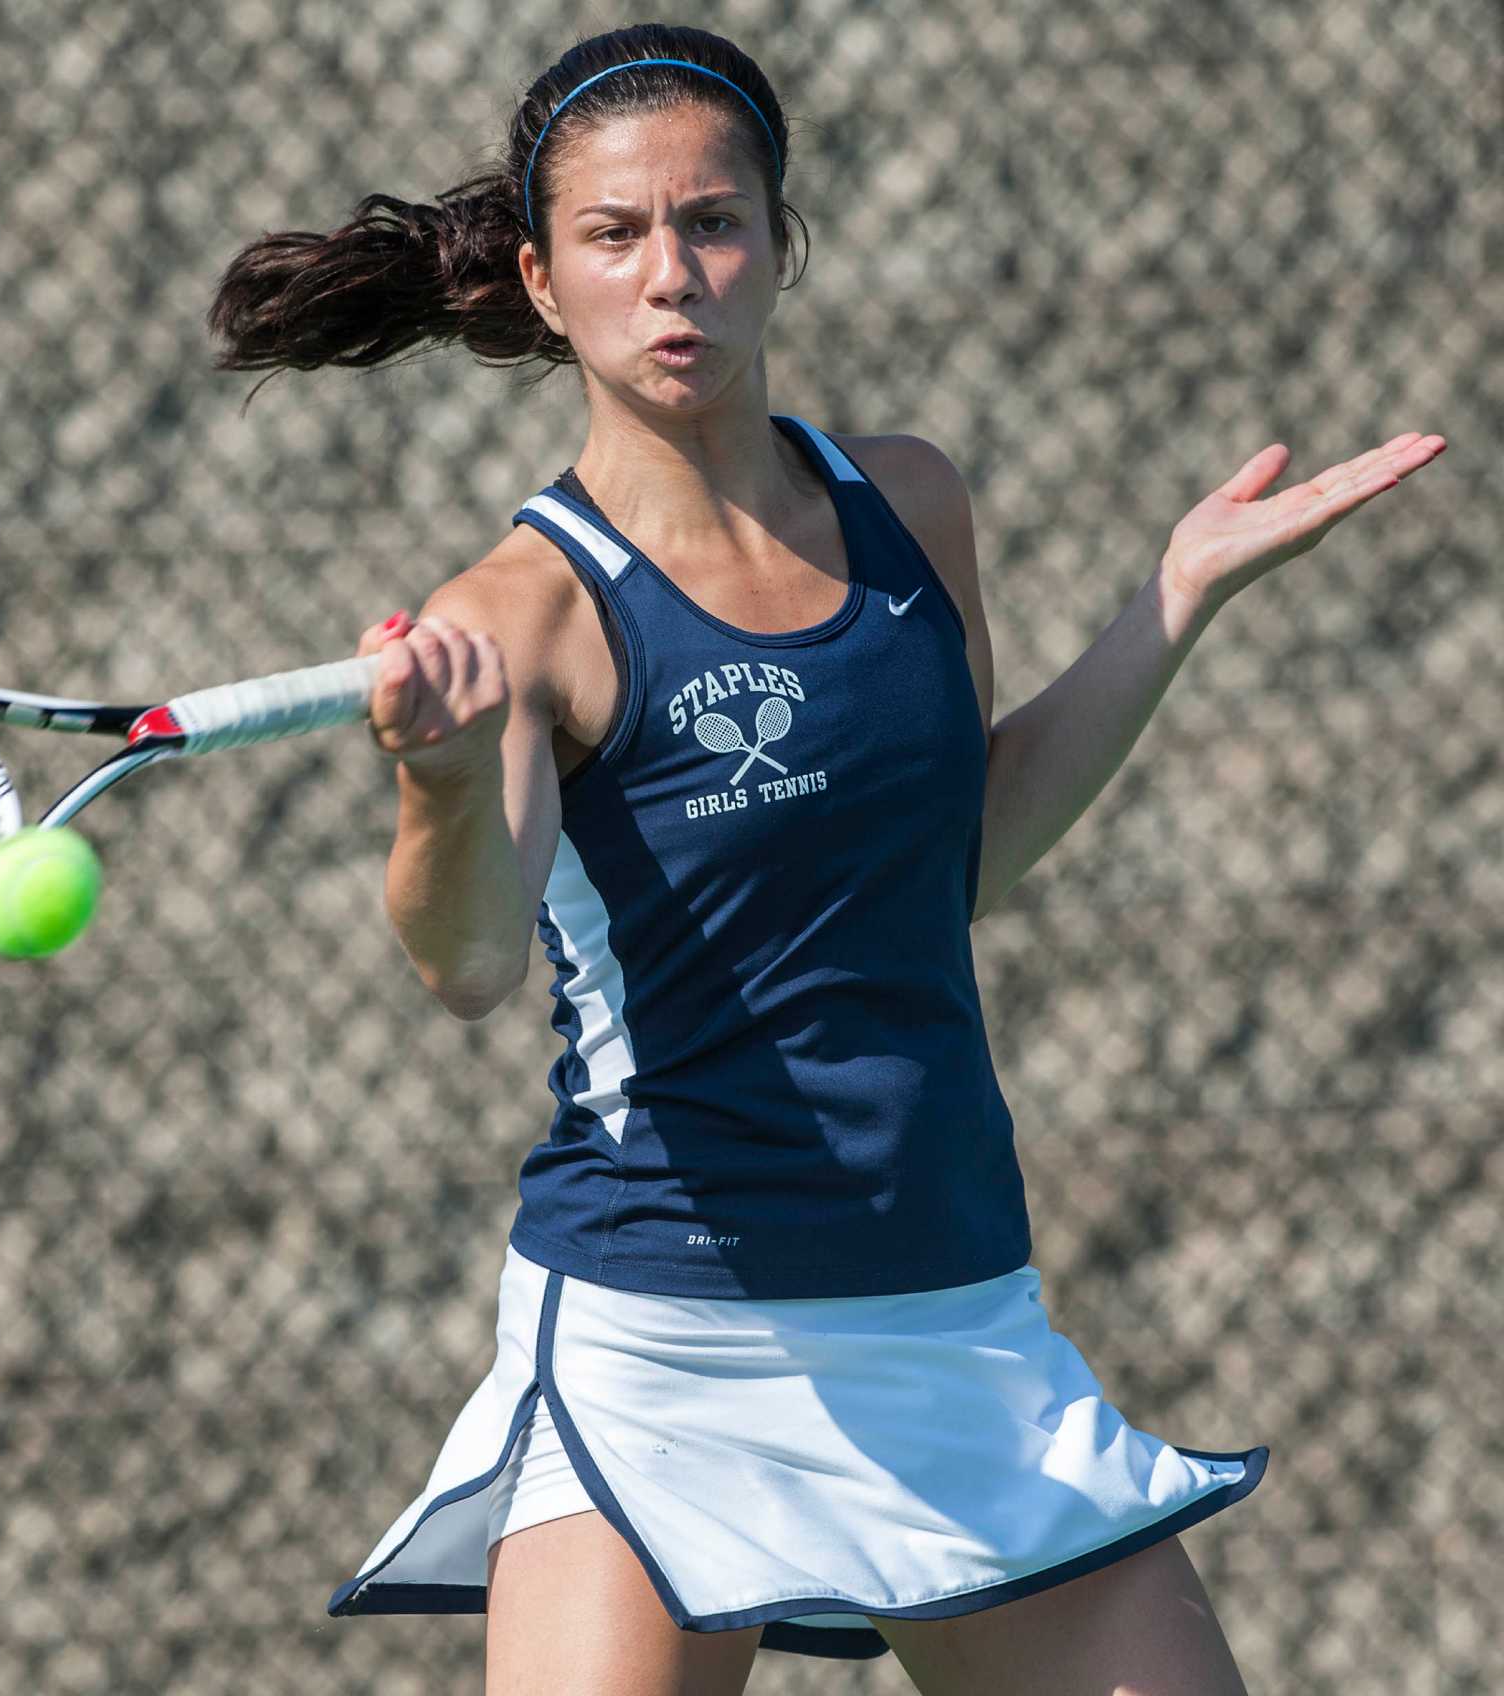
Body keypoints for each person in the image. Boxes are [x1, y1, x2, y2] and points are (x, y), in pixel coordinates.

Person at [209, 23, 1443, 1696]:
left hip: (955, 1323)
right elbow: (469, 963)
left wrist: (1171, 604)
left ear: (780, 245)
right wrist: (437, 781)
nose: (673, 279)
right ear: (542, 277)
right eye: (616, 237)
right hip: (668, 1346)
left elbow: (961, 863)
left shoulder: (909, 505)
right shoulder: (521, 612)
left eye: (713, 224)